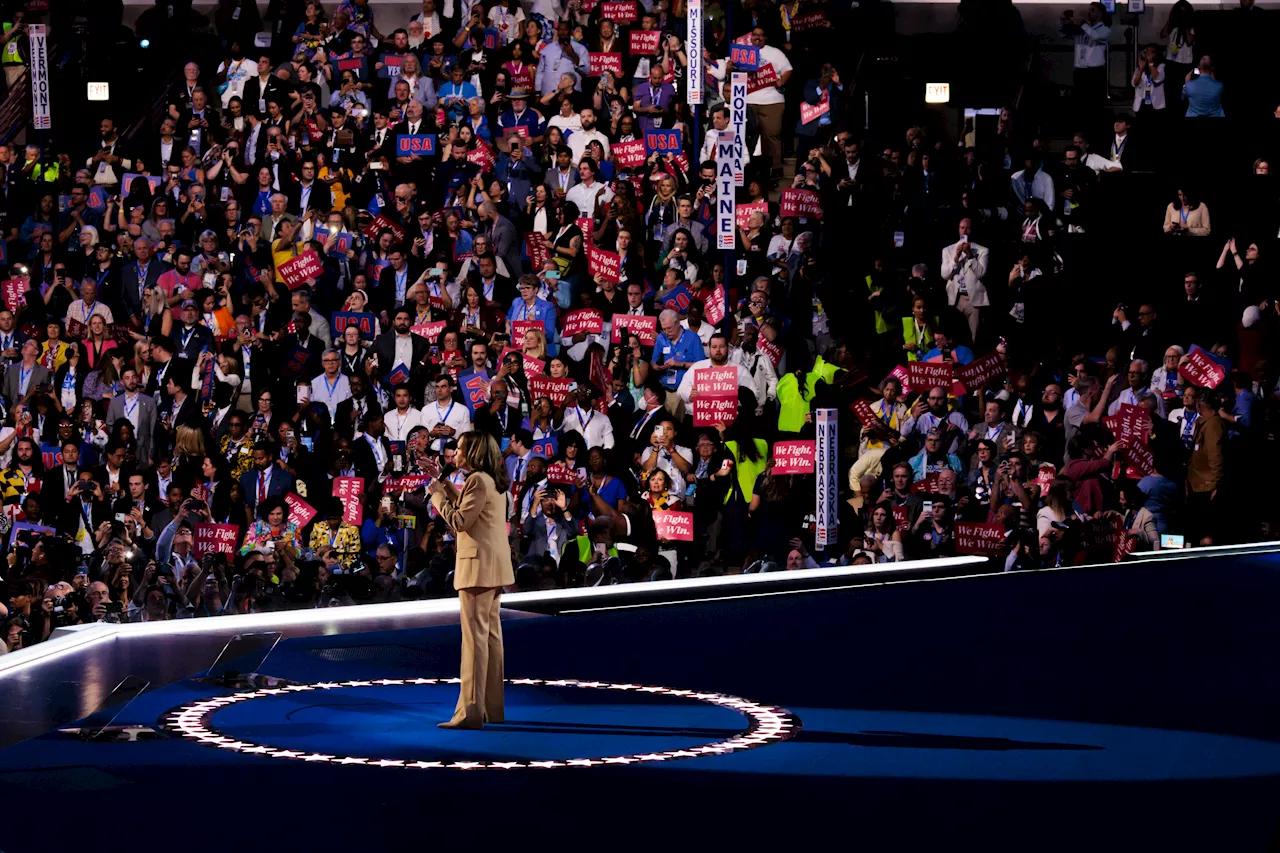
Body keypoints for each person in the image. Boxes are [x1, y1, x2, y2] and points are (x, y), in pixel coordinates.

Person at [422, 431, 513, 729]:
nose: (454, 454)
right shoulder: (491, 480)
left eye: (459, 449)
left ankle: (469, 713)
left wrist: (436, 493)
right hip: (494, 567)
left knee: (474, 641)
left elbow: (460, 520)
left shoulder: (476, 480)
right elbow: (468, 505)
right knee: (490, 638)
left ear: (472, 452)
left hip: (477, 569)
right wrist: (445, 483)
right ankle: (492, 708)